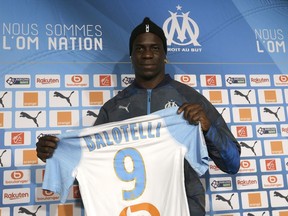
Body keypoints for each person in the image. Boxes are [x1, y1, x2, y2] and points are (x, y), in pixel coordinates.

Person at [36, 17, 241, 215]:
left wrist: (208, 129)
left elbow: (232, 164)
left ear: (165, 54)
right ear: (132, 56)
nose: (147, 54)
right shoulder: (112, 108)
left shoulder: (190, 99)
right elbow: (91, 167)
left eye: (155, 48)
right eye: (140, 48)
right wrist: (57, 152)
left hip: (185, 209)